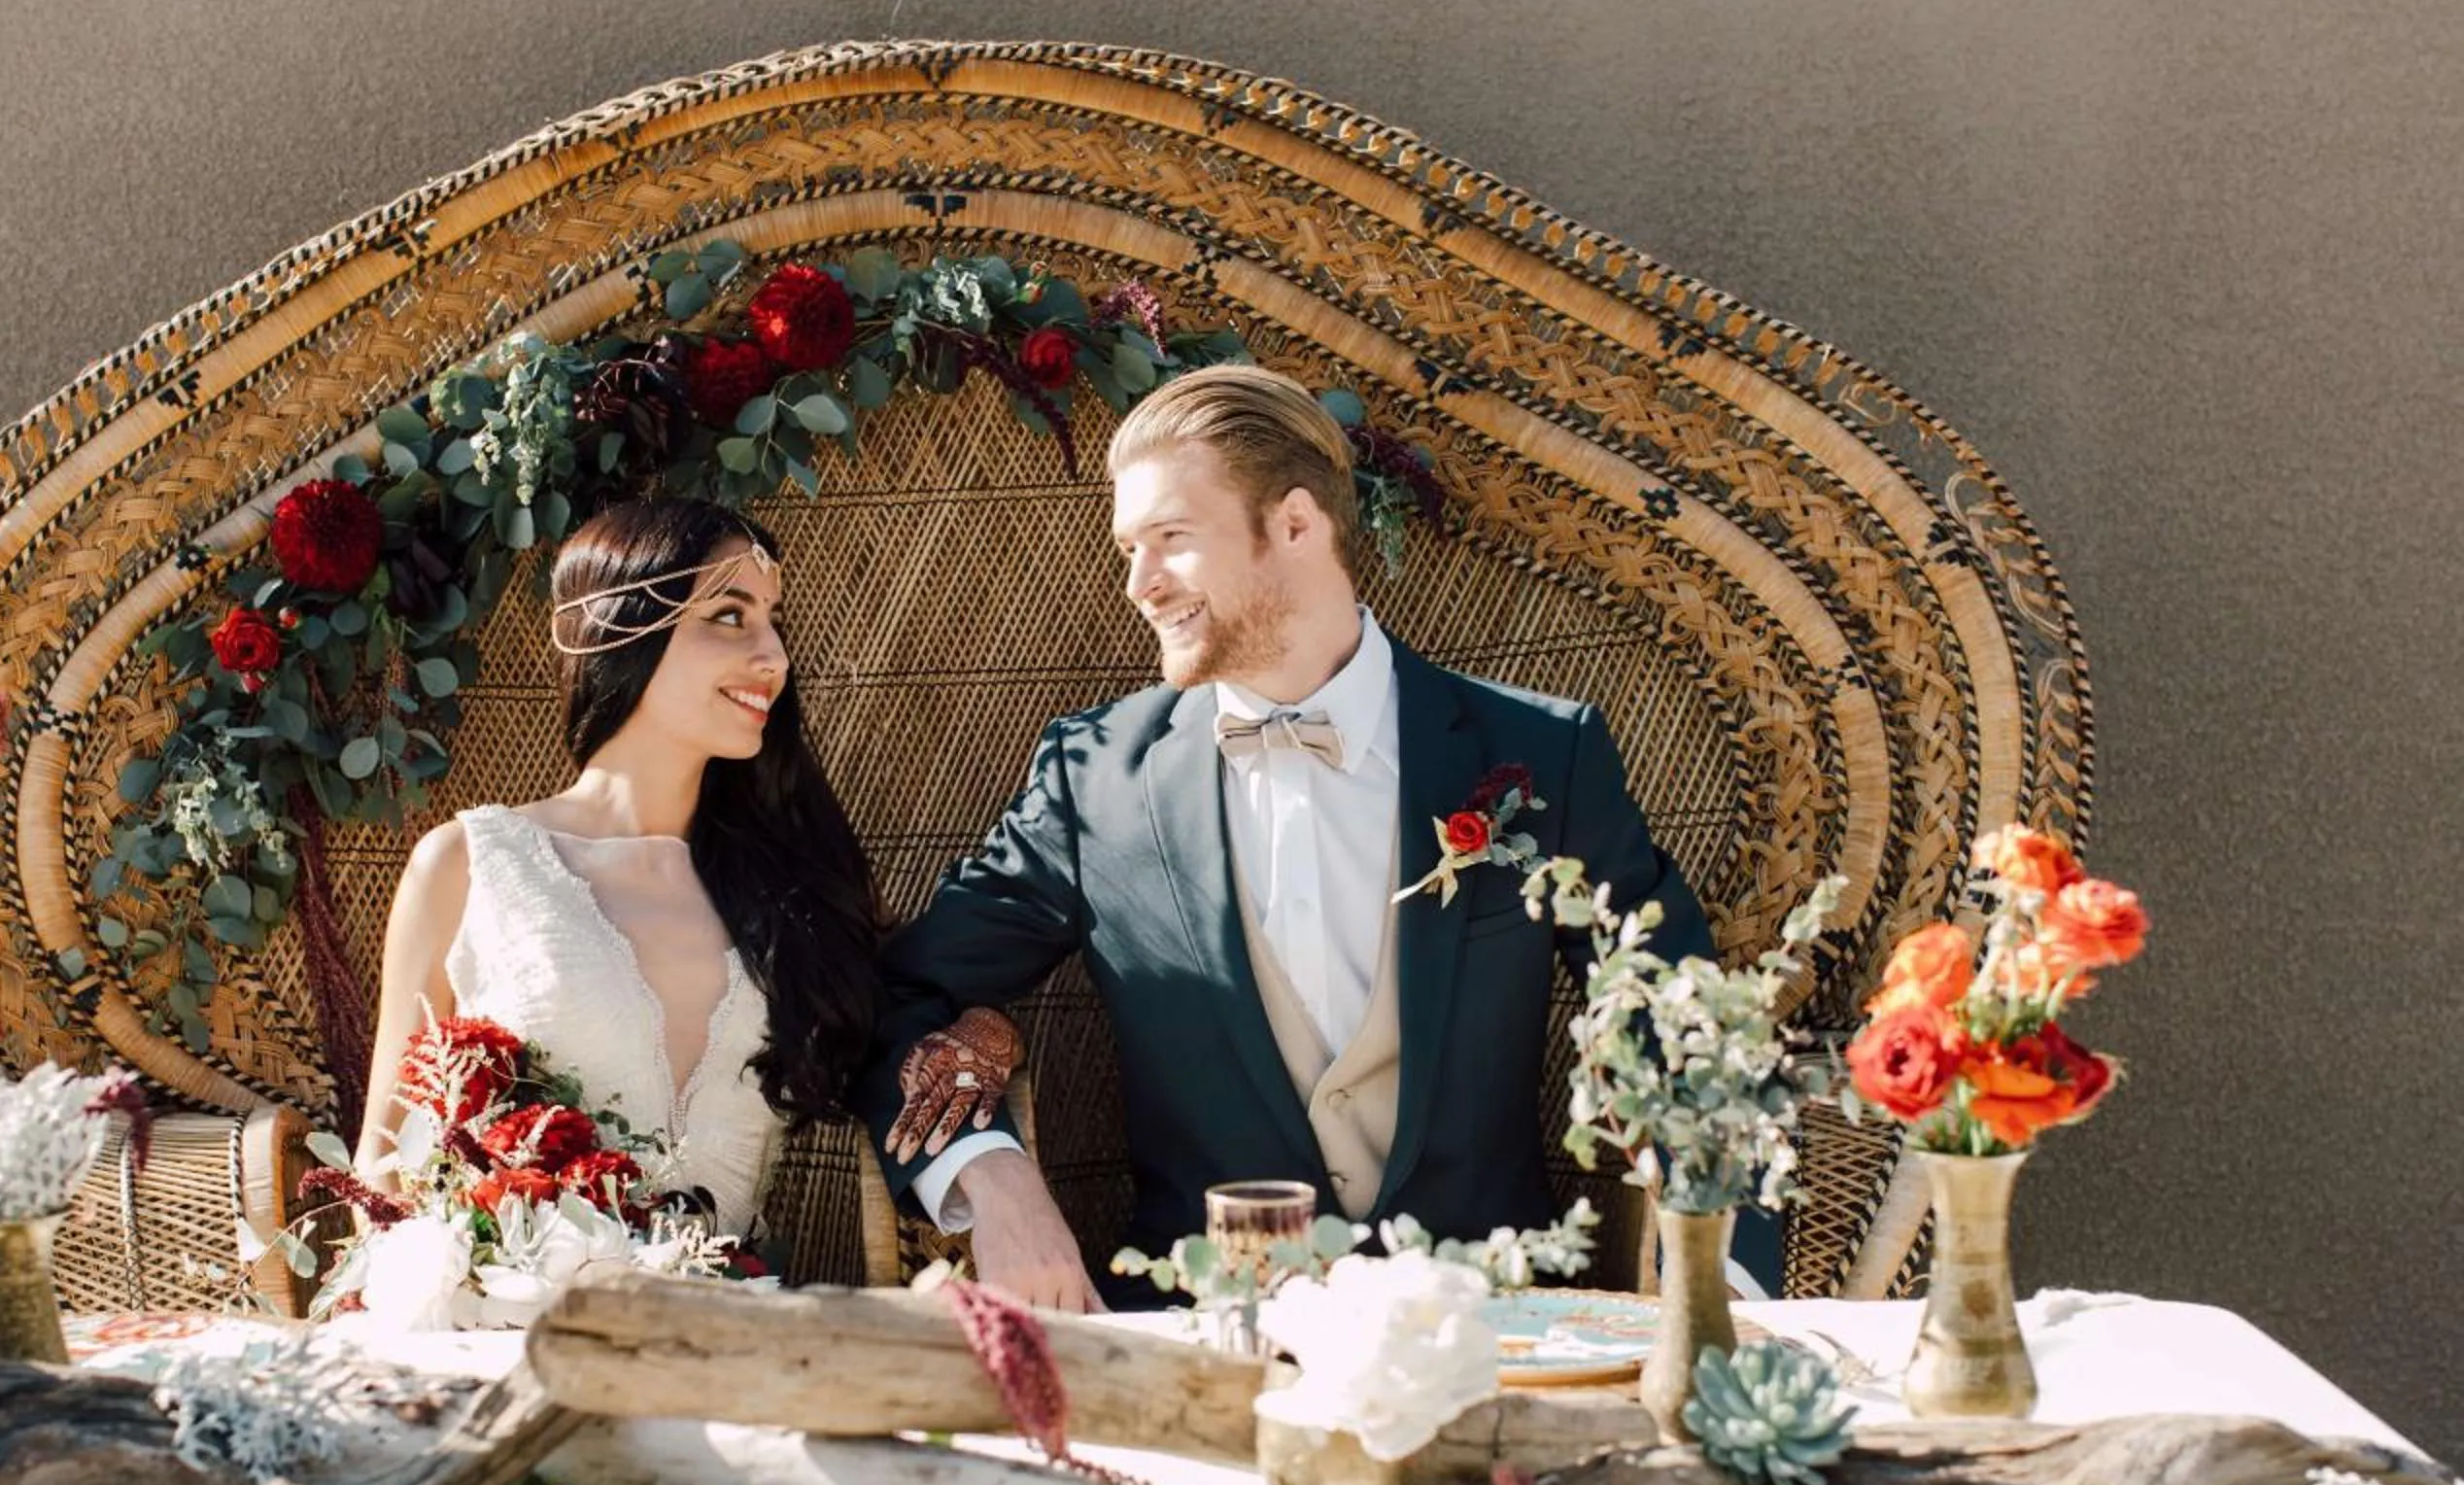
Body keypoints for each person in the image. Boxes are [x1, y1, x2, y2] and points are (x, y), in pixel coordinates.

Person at [861, 363, 1736, 1311]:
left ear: (1295, 524)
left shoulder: (1539, 754)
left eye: (1170, 540)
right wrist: (992, 1176)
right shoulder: (1096, 780)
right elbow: (895, 994)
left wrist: (1736, 1294)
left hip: (1499, 1332)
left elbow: (1676, 1012)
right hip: (1205, 1340)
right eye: (1129, 548)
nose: (1139, 584)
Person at [356, 497, 884, 1251]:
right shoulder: (471, 866)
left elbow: (903, 1033)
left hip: (740, 1336)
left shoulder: (797, 885)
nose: (773, 657)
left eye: (774, 621)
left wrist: (980, 1038)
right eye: (731, 617)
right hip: (512, 1336)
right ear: (619, 629)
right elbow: (384, 1167)